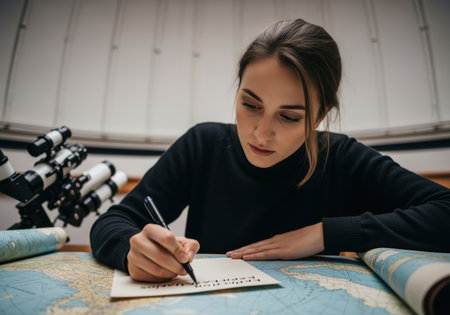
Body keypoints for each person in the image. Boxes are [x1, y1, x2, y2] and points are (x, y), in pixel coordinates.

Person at [90, 18, 450, 282]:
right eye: (250, 104)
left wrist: (323, 234)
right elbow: (112, 222)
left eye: (290, 117)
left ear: (320, 116)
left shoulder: (341, 158)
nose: (262, 133)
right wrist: (130, 250)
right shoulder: (203, 145)